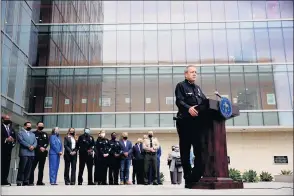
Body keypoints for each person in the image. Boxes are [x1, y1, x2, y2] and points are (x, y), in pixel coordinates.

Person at [174, 65, 207, 188]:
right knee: (185, 150)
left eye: (196, 72)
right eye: (192, 72)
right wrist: (189, 109)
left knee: (199, 149)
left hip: (197, 123)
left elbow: (204, 102)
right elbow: (179, 101)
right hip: (185, 122)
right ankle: (188, 178)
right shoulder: (181, 86)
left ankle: (196, 175)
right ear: (186, 74)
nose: (194, 74)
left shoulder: (198, 89)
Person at [16, 122, 37, 186]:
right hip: (24, 152)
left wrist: (33, 146)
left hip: (31, 153)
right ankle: (19, 180)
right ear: (25, 126)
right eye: (28, 126)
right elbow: (21, 141)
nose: (29, 127)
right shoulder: (20, 133)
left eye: (30, 126)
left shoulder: (33, 134)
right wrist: (29, 146)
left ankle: (26, 180)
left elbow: (35, 142)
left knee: (29, 168)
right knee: (22, 167)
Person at [29, 121, 49, 186]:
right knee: (32, 168)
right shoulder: (33, 133)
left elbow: (47, 142)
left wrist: (44, 147)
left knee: (41, 168)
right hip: (35, 153)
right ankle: (31, 181)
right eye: (40, 125)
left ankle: (39, 181)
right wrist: (40, 147)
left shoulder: (45, 134)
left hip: (43, 154)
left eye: (42, 126)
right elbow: (33, 142)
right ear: (37, 126)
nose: (41, 127)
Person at [1, 115, 16, 186]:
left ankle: (5, 180)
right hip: (1, 149)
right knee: (2, 165)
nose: (8, 120)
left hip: (8, 150)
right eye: (7, 119)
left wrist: (12, 141)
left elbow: (14, 139)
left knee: (7, 165)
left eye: (9, 118)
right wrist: (6, 139)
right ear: (3, 120)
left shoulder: (11, 129)